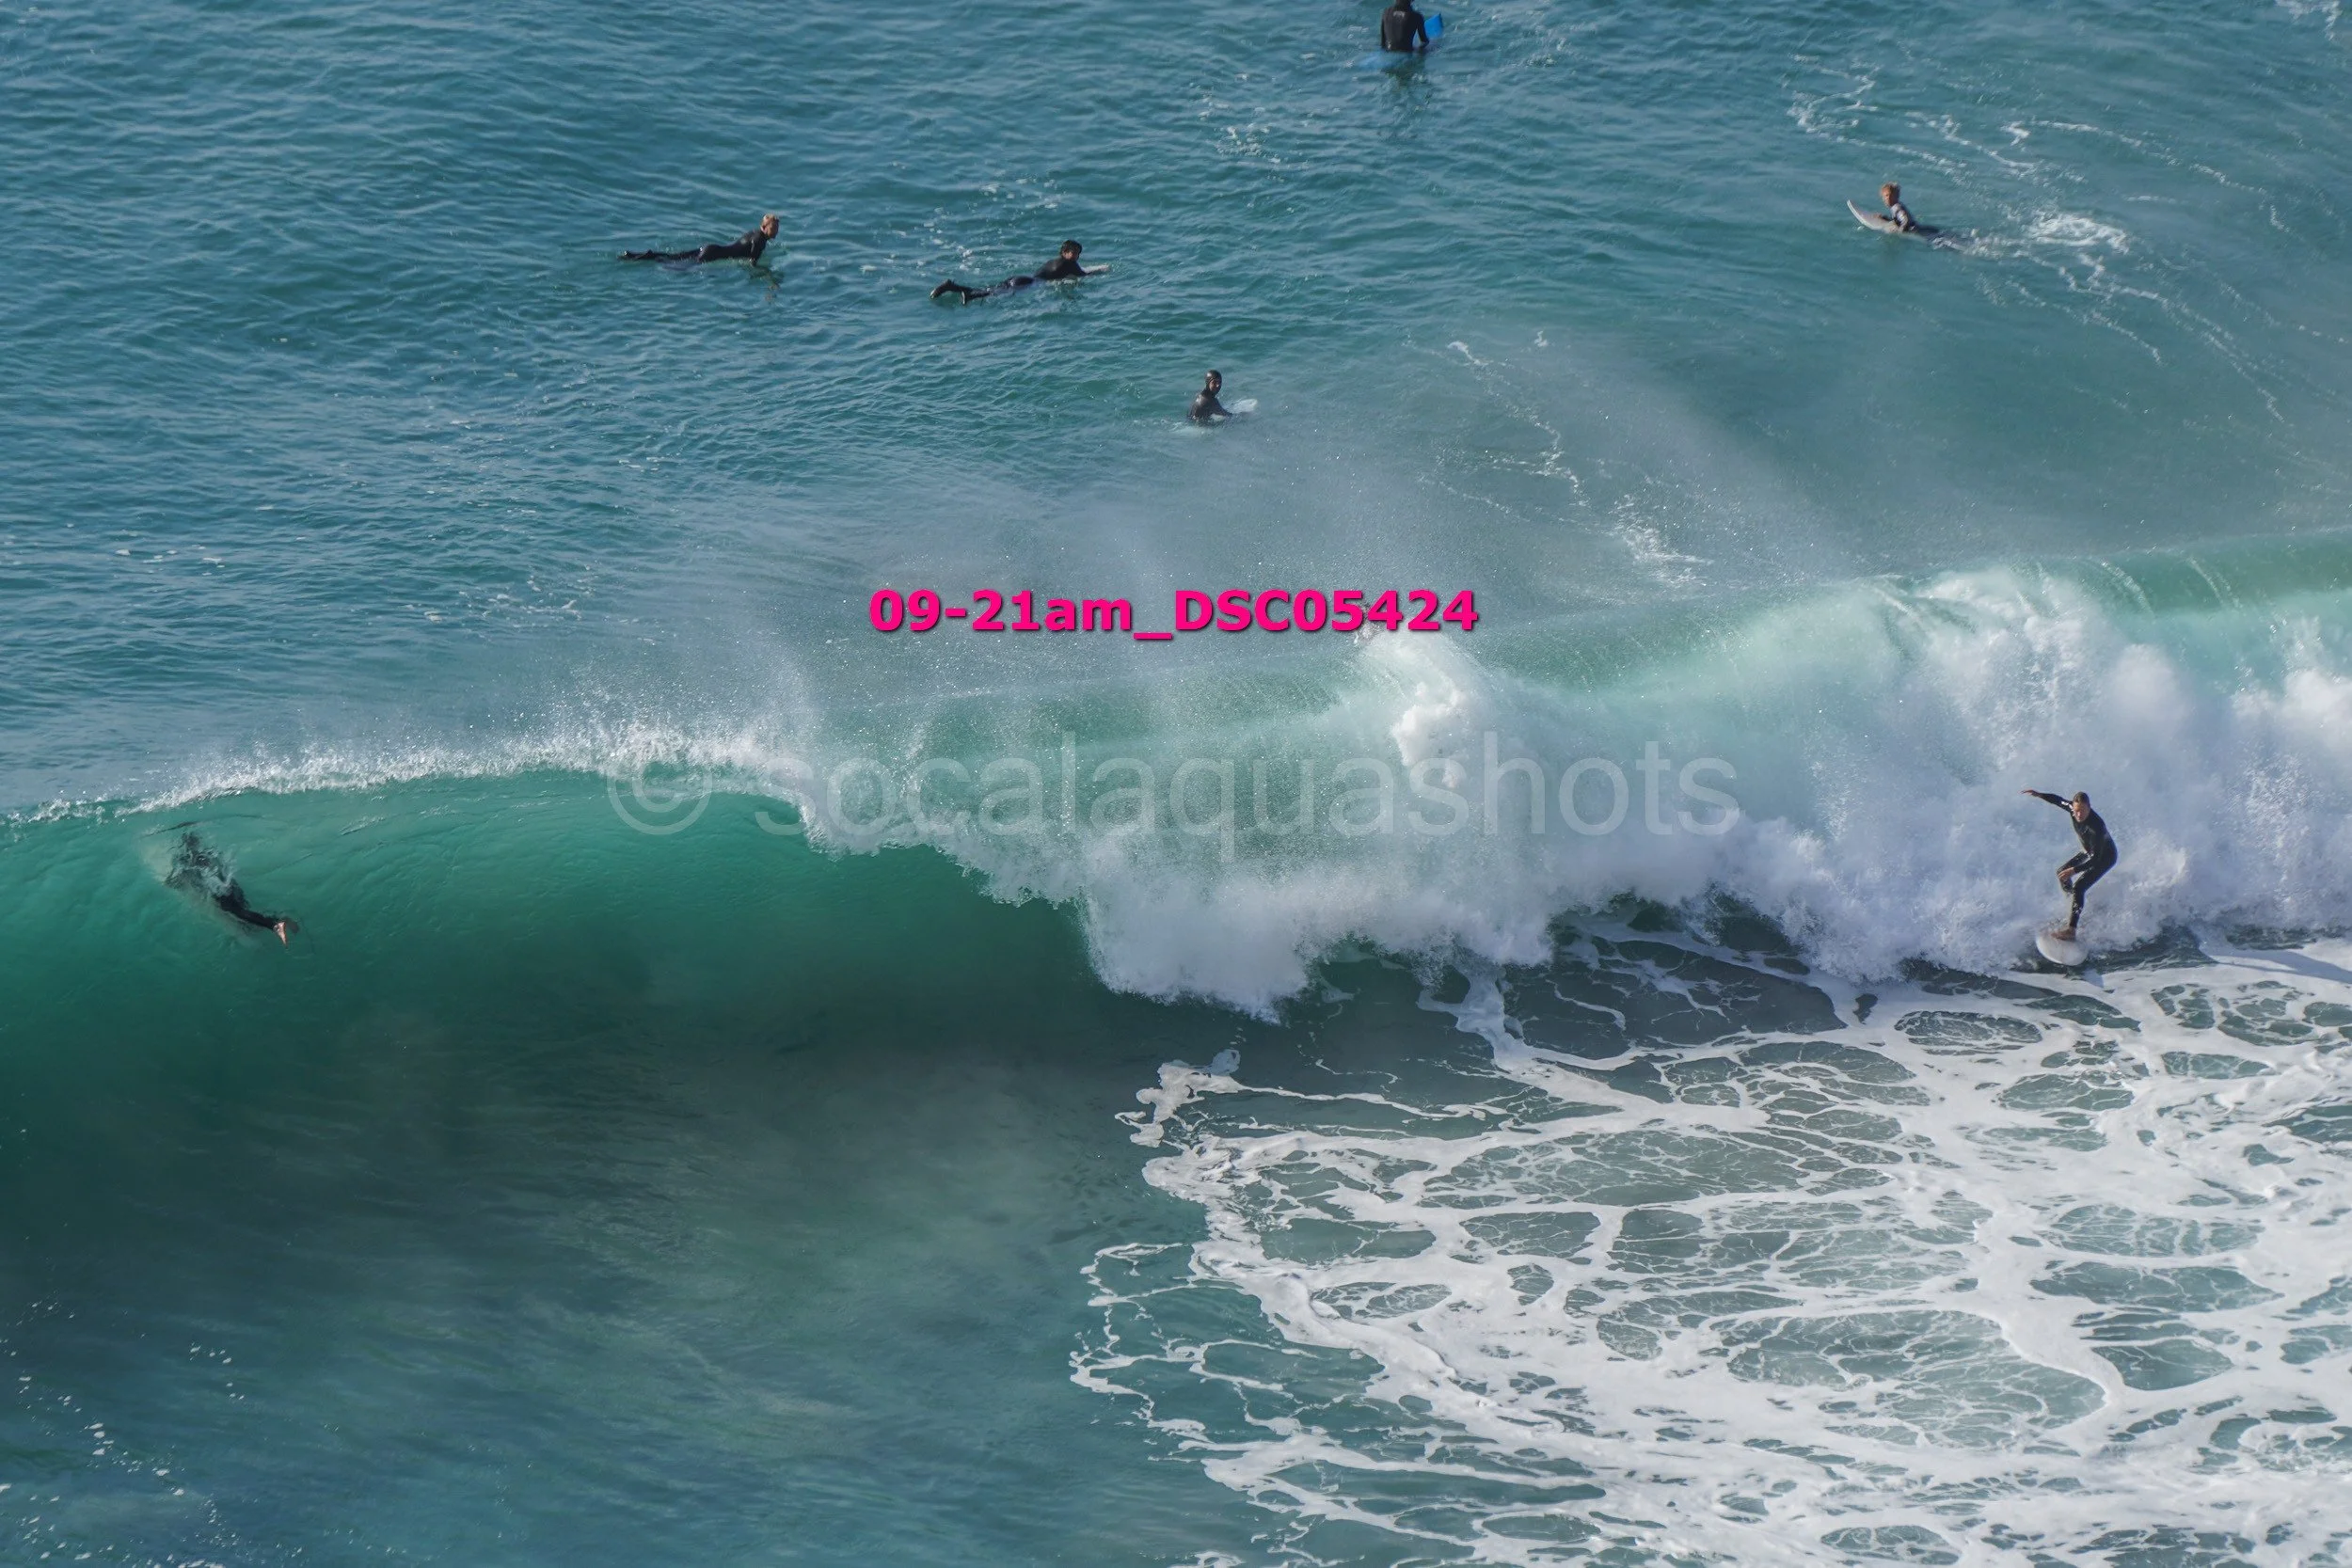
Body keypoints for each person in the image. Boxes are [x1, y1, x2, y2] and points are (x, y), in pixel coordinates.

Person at [2022, 789, 2117, 941]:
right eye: (2077, 811)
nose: (2079, 815)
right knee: (2062, 873)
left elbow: (2096, 860)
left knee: (2079, 886)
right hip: (2089, 851)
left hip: (2105, 857)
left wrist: (2074, 870)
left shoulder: (2097, 827)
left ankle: (2071, 930)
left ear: (2089, 808)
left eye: (2083, 812)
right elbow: (2058, 800)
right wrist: (2040, 795)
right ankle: (2073, 909)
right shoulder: (2072, 808)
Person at [168, 833, 296, 944]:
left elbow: (176, 879)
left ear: (185, 845)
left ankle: (274, 925)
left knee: (239, 913)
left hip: (221, 893)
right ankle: (275, 921)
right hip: (232, 885)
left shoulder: (186, 860)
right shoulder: (208, 852)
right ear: (197, 842)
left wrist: (173, 882)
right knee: (244, 912)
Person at [930, 241, 1104, 302]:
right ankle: (967, 294)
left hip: (1021, 278)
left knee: (990, 290)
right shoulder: (1070, 264)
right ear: (1064, 253)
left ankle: (952, 287)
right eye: (1072, 252)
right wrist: (1102, 271)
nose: (1075, 255)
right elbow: (1083, 275)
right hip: (1027, 282)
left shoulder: (1055, 261)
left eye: (1077, 253)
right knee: (991, 293)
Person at [622, 213, 779, 264]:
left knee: (673, 257)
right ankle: (648, 259)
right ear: (763, 227)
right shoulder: (760, 241)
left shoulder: (754, 233)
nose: (776, 232)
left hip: (711, 249)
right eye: (773, 228)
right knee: (675, 265)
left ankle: (644, 255)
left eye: (777, 228)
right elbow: (753, 262)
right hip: (712, 253)